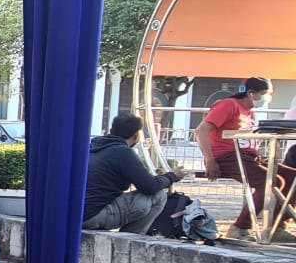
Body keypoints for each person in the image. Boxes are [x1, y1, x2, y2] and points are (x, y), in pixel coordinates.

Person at [195, 76, 296, 241]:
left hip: (248, 156)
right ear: (251, 93)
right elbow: (201, 130)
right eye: (264, 93)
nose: (267, 98)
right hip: (228, 156)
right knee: (270, 181)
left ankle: (278, 227)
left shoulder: (250, 112)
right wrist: (210, 159)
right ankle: (240, 227)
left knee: (292, 177)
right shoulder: (229, 105)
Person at [83, 113, 183, 234]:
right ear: (136, 135)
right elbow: (151, 186)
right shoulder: (122, 152)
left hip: (77, 214)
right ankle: (130, 238)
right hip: (94, 215)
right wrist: (172, 176)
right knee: (158, 195)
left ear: (111, 130)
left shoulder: (91, 148)